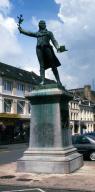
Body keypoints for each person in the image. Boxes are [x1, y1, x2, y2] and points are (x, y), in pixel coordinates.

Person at [18, 20, 66, 86]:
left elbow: (54, 40)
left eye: (43, 23)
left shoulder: (49, 33)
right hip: (39, 49)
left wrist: (57, 47)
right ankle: (42, 81)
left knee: (53, 65)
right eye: (41, 24)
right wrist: (21, 30)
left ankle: (58, 81)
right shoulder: (37, 33)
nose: (42, 25)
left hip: (47, 48)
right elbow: (29, 33)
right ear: (39, 25)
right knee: (41, 65)